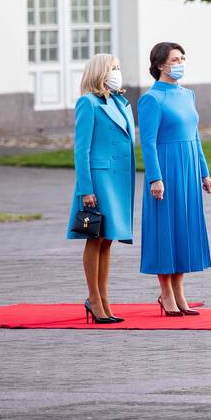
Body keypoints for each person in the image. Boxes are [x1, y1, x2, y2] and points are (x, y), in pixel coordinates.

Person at [138, 42, 211, 316]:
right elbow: (147, 142)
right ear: (160, 65)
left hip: (189, 168)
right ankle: (166, 294)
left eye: (183, 58)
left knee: (184, 228)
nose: (180, 62)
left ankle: (180, 292)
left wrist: (204, 171)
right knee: (165, 230)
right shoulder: (151, 99)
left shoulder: (188, 95)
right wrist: (155, 178)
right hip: (167, 170)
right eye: (175, 59)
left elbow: (195, 135)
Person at [68, 53, 135, 325]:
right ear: (99, 72)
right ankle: (94, 299)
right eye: (112, 68)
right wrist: (86, 188)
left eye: (118, 67)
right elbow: (81, 150)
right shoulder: (88, 103)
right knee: (94, 238)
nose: (117, 72)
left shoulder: (119, 101)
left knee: (107, 240)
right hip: (99, 180)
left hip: (119, 181)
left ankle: (105, 299)